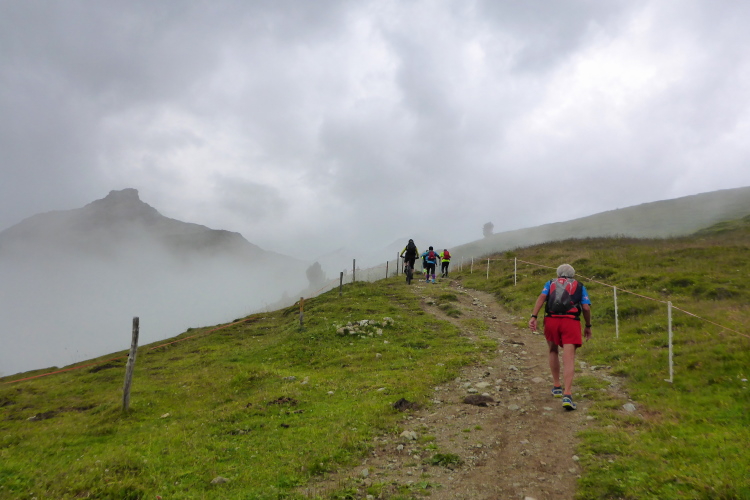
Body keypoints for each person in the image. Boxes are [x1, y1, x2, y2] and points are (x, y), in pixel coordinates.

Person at [528, 264, 592, 411]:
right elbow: (586, 307)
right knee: (569, 357)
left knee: (552, 350)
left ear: (558, 274)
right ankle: (567, 394)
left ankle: (557, 386)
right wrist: (588, 325)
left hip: (551, 320)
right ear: (573, 274)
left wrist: (534, 316)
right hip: (571, 322)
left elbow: (542, 297)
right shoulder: (580, 286)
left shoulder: (550, 283)